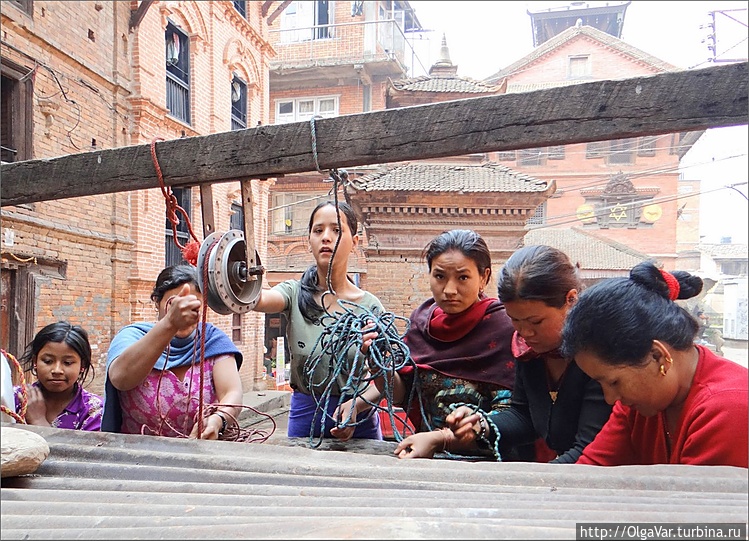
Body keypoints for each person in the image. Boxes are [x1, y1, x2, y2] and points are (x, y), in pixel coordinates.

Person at [560, 262, 748, 467]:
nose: (610, 399)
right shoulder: (641, 404)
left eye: (614, 382)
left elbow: (693, 497)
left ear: (658, 356)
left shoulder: (729, 410)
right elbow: (591, 469)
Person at [446, 245, 613, 463]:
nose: (525, 332)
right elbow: (523, 416)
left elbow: (588, 450)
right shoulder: (529, 352)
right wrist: (481, 425)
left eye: (536, 321)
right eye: (515, 320)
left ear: (570, 299)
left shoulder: (597, 354)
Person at [251, 200, 384, 440]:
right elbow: (257, 299)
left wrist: (357, 405)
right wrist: (235, 273)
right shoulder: (292, 293)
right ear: (308, 240)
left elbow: (388, 377)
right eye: (318, 230)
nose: (326, 237)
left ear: (355, 243)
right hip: (305, 419)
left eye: (336, 230)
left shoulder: (370, 307)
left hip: (359, 420)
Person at [387, 229, 520, 460]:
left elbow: (511, 414)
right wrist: (380, 363)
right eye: (439, 276)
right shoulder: (420, 323)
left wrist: (445, 438)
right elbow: (402, 396)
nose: (449, 290)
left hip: (488, 464)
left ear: (484, 277)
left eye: (462, 277)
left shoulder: (504, 328)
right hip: (422, 455)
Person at [102, 264, 243, 439]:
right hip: (137, 454)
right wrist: (170, 323)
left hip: (201, 451)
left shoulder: (212, 340)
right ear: (157, 302)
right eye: (175, 304)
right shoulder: (132, 337)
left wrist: (218, 420)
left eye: (193, 307)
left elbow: (232, 392)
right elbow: (121, 379)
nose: (185, 314)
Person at [12, 322, 102, 430]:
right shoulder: (15, 398)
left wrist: (38, 421)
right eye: (48, 361)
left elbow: (88, 447)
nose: (57, 370)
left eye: (67, 362)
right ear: (35, 361)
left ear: (82, 365)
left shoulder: (93, 410)